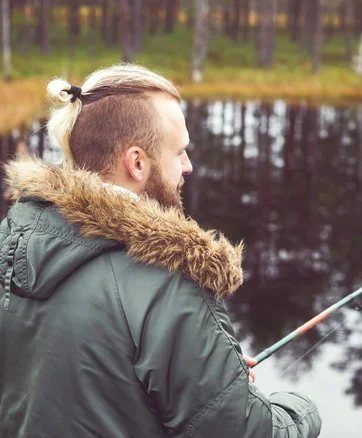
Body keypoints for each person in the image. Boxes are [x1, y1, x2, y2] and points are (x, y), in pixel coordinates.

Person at [0, 64, 322, 438]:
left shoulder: (12, 241)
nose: (188, 166)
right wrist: (301, 408)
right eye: (180, 151)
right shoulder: (166, 283)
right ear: (137, 162)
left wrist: (214, 373)